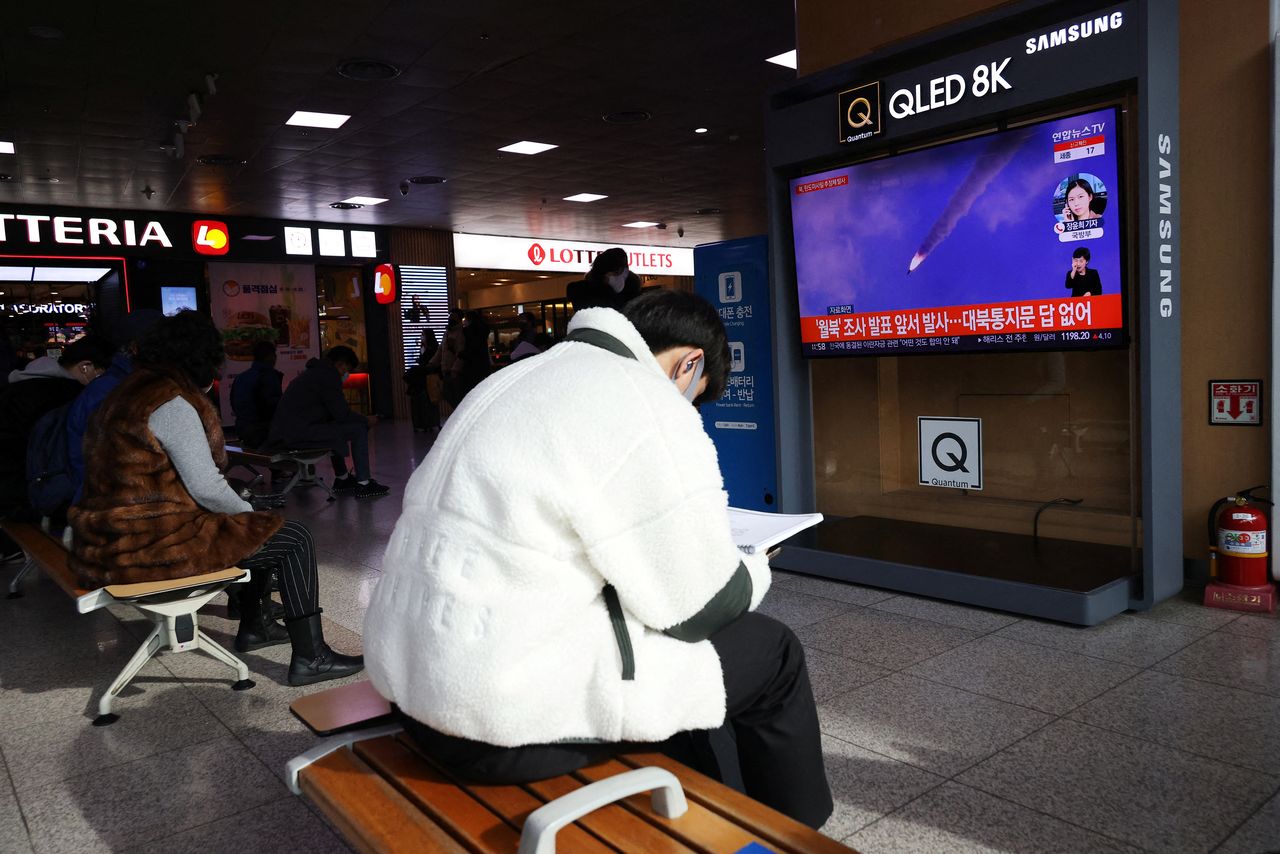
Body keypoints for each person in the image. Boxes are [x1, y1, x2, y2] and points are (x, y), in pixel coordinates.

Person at [363, 290, 832, 829]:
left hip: (412, 689)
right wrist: (754, 563)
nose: (689, 409)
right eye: (695, 397)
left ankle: (722, 812)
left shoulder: (514, 379)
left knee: (671, 657)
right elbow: (697, 609)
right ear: (689, 364)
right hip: (494, 723)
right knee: (772, 652)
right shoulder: (644, 400)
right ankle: (801, 835)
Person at [67, 311, 363, 686]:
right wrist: (251, 515)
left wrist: (249, 518)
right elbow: (206, 485)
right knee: (291, 537)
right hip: (148, 549)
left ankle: (257, 626)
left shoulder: (123, 395)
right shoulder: (169, 403)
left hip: (106, 541)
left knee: (252, 526)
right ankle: (311, 657)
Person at [0, 336, 111, 559]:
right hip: (34, 500)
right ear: (85, 367)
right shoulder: (67, 395)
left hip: (11, 493)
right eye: (100, 375)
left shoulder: (14, 387)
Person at [65, 309, 165, 501]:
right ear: (135, 348)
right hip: (114, 504)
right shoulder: (114, 391)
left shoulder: (119, 384)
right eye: (161, 343)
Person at [267, 345, 389, 499]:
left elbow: (333, 413)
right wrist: (366, 419)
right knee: (358, 428)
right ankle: (364, 483)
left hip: (288, 432)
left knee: (333, 430)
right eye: (345, 370)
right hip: (298, 434)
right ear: (340, 364)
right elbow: (342, 413)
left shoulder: (314, 372)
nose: (345, 375)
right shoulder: (328, 377)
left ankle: (342, 478)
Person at [230, 340, 283, 449]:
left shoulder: (241, 378)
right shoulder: (269, 377)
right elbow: (272, 407)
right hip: (262, 432)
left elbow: (233, 403)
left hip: (242, 429)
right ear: (270, 356)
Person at [566, 247, 641, 311]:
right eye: (616, 272)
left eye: (624, 275)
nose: (621, 278)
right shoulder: (615, 303)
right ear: (604, 274)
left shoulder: (580, 295)